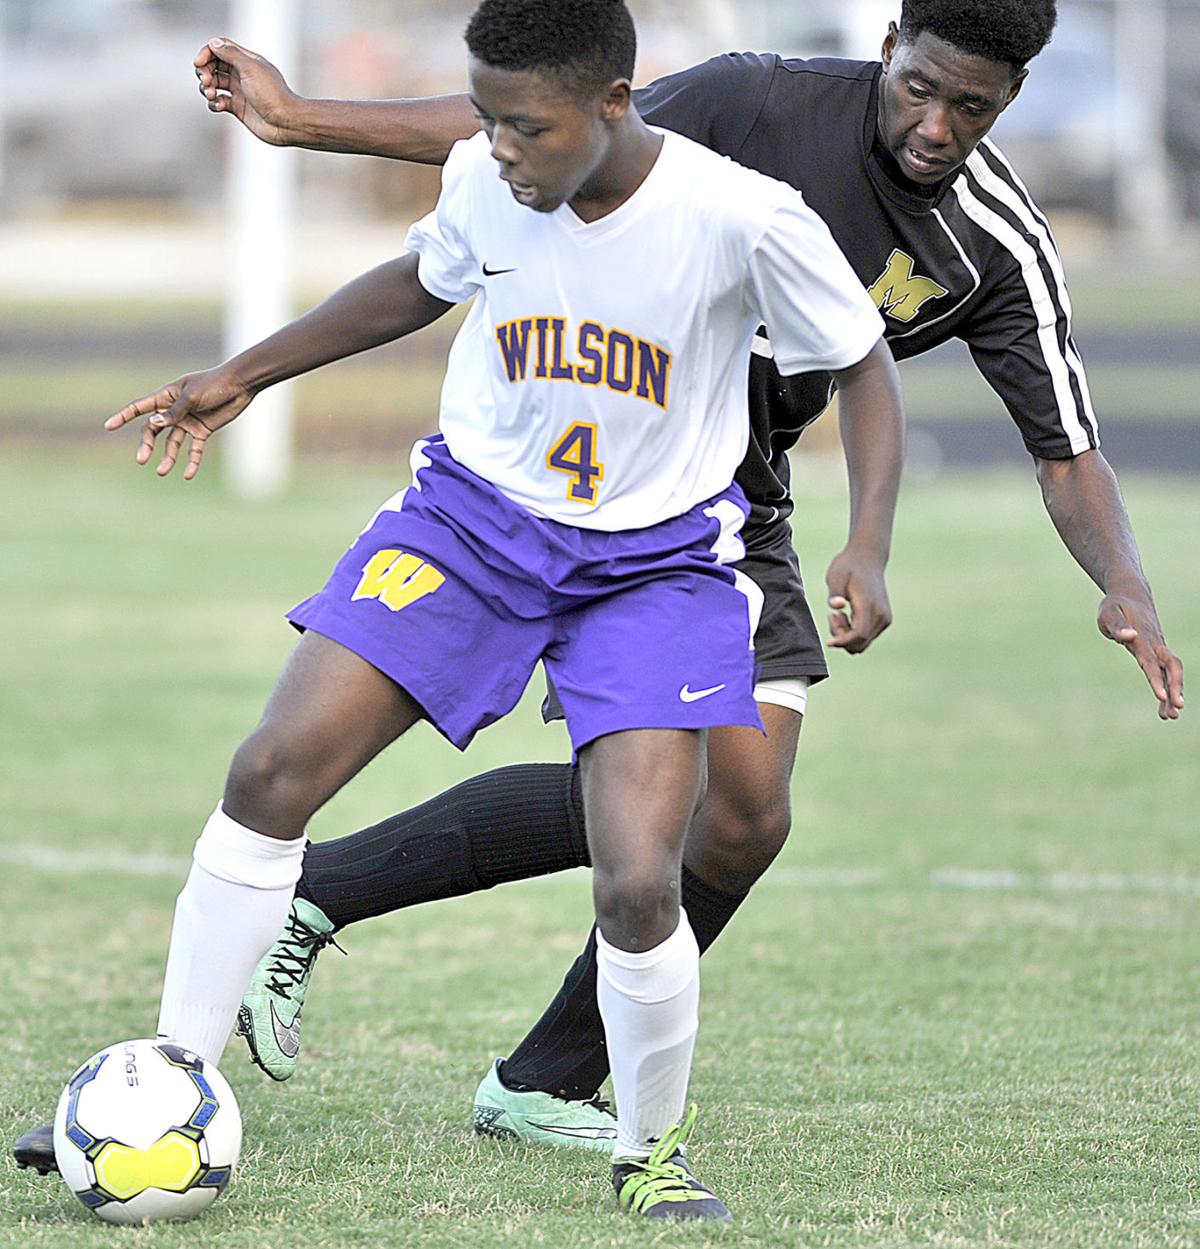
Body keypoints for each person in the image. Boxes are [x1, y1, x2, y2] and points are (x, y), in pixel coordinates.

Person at [16, 0, 1187, 1177]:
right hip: (521, 485)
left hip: (715, 506)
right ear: (889, 48)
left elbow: (1061, 443)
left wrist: (1119, 582)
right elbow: (533, 127)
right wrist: (297, 123)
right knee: (304, 766)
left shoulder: (982, 242)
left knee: (735, 817)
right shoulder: (747, 104)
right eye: (920, 88)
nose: (935, 126)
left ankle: (546, 1083)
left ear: (1011, 100)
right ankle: (232, 1002)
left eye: (970, 106)